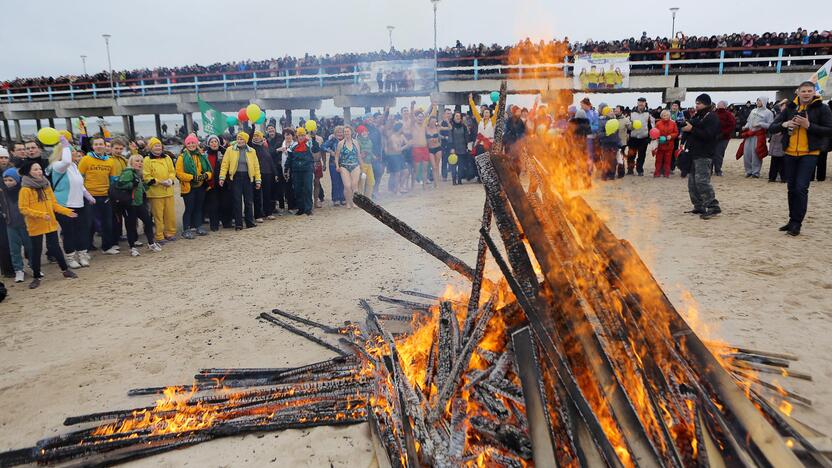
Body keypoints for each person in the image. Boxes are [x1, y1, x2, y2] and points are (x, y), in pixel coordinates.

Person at [768, 81, 832, 236]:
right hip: (790, 153)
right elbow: (772, 127)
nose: (806, 93)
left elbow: (829, 130)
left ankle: (797, 223)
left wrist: (808, 125)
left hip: (809, 154)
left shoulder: (822, 108)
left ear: (814, 92)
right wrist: (786, 124)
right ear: (798, 92)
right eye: (803, 91)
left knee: (801, 188)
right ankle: (791, 220)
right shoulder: (790, 107)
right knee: (791, 188)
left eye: (810, 91)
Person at [17, 160, 78, 289]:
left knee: (55, 247)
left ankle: (65, 270)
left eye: (39, 169)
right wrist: (40, 214)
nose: (39, 172)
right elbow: (23, 209)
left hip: (50, 223)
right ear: (29, 172)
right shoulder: (25, 189)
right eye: (35, 169)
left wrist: (66, 211)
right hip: (36, 225)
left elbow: (54, 204)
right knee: (36, 250)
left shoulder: (46, 185)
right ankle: (36, 276)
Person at [48, 137, 94, 268]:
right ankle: (70, 257)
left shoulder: (74, 166)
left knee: (82, 231)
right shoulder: (58, 166)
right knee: (69, 232)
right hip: (64, 205)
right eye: (71, 151)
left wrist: (88, 195)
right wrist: (65, 145)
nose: (75, 153)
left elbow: (80, 183)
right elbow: (66, 161)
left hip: (79, 204)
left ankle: (82, 254)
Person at [681, 94, 721, 220]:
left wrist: (692, 129)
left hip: (704, 154)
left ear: (706, 104)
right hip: (693, 153)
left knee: (702, 182)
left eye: (699, 103)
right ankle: (698, 206)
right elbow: (690, 128)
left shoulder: (712, 117)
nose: (696, 105)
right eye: (696, 103)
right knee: (692, 182)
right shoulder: (698, 116)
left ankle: (713, 206)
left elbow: (709, 135)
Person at [78, 136, 120, 255]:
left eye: (101, 144)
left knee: (107, 222)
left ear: (105, 145)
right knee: (89, 223)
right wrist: (84, 194)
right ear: (92, 146)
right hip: (89, 196)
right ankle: (85, 249)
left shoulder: (110, 161)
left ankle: (106, 247)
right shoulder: (86, 159)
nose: (98, 146)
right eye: (96, 144)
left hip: (105, 195)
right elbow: (79, 177)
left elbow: (112, 179)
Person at [115, 155, 162, 256]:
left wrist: (148, 184)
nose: (139, 163)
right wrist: (132, 184)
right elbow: (120, 185)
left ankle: (151, 243)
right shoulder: (128, 172)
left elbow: (140, 188)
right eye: (137, 161)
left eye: (141, 161)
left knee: (148, 222)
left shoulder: (137, 173)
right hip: (129, 204)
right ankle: (132, 247)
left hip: (138, 203)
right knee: (131, 226)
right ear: (131, 162)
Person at [219, 132, 261, 230]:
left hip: (248, 178)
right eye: (238, 139)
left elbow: (256, 166)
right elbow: (225, 164)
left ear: (246, 140)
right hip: (236, 178)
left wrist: (258, 180)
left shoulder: (252, 151)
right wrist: (222, 177)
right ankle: (238, 224)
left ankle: (250, 222)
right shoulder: (230, 150)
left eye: (242, 139)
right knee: (237, 201)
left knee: (248, 201)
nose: (239, 141)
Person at [176, 134, 212, 238]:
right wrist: (192, 177)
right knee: (189, 208)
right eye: (189, 143)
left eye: (193, 143)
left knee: (199, 207)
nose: (191, 145)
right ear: (186, 145)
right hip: (188, 186)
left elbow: (209, 170)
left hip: (200, 185)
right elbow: (178, 173)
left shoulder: (201, 156)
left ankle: (198, 226)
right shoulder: (182, 157)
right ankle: (186, 229)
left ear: (196, 144)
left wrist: (206, 175)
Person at [143, 137, 178, 242]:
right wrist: (159, 181)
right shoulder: (147, 160)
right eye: (155, 146)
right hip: (155, 193)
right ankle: (159, 235)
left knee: (170, 214)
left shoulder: (167, 157)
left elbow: (172, 171)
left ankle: (170, 233)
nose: (158, 148)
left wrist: (170, 180)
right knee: (158, 216)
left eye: (159, 145)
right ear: (151, 148)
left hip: (168, 191)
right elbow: (146, 176)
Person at [1, 167, 32, 283]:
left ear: (17, 179)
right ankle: (19, 270)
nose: (8, 183)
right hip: (10, 225)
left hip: (26, 224)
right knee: (14, 250)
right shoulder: (3, 192)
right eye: (5, 180)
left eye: (11, 180)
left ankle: (34, 267)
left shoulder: (24, 190)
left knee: (30, 247)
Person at [284, 127, 318, 215]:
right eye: (299, 135)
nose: (301, 137)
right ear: (297, 136)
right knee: (297, 190)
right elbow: (289, 158)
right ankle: (301, 208)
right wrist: (286, 169)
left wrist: (313, 138)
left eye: (303, 135)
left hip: (307, 170)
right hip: (296, 170)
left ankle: (308, 209)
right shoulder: (293, 145)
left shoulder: (309, 143)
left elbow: (316, 149)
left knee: (308, 189)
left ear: (305, 135)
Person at [739, 97, 774, 178]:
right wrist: (745, 126)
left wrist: (760, 124)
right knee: (747, 153)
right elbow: (749, 121)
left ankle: (755, 172)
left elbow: (770, 125)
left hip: (758, 136)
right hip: (749, 134)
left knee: (756, 153)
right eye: (757, 100)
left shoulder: (768, 113)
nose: (757, 102)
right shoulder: (753, 110)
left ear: (764, 102)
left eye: (759, 100)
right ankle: (748, 171)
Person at [203, 135, 232, 231]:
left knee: (226, 203)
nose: (214, 143)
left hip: (224, 182)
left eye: (215, 141)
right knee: (213, 205)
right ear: (208, 143)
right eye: (211, 142)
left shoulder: (224, 152)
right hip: (211, 183)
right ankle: (214, 225)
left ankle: (227, 223)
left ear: (218, 143)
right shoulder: (205, 155)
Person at [250, 130, 276, 221]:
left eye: (258, 136)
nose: (256, 137)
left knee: (267, 194)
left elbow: (271, 161)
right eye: (254, 136)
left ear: (261, 137)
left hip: (268, 173)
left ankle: (268, 213)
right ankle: (258, 215)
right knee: (257, 195)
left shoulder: (265, 147)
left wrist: (275, 173)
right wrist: (252, 127)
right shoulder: (251, 147)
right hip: (257, 174)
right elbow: (248, 139)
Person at [335, 126, 363, 208]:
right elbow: (337, 156)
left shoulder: (356, 142)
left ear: (351, 132)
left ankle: (355, 202)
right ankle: (348, 202)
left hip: (355, 165)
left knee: (354, 185)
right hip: (344, 166)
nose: (346, 133)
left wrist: (362, 166)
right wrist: (337, 166)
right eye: (345, 132)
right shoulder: (340, 143)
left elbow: (359, 155)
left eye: (348, 131)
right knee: (347, 186)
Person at [627, 97, 653, 176]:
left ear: (645, 103)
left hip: (643, 138)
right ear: (637, 103)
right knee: (631, 155)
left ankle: (639, 170)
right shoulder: (631, 113)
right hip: (633, 138)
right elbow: (628, 125)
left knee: (641, 155)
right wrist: (629, 132)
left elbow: (651, 126)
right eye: (640, 102)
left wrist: (649, 137)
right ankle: (630, 170)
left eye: (643, 102)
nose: (641, 104)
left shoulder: (649, 113)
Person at [265, 124, 288, 213]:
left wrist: (274, 151)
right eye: (269, 129)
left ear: (275, 129)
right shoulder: (266, 138)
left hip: (279, 165)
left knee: (280, 186)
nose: (271, 130)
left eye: (272, 128)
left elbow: (272, 150)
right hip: (270, 166)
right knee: (272, 186)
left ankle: (282, 206)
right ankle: (273, 207)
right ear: (267, 131)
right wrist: (277, 150)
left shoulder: (279, 137)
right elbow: (269, 152)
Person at [322, 125, 346, 206]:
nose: (340, 134)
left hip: (344, 164)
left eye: (341, 132)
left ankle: (343, 198)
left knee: (343, 181)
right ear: (335, 133)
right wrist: (330, 151)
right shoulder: (332, 140)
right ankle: (335, 199)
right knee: (335, 181)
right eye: (338, 132)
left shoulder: (346, 140)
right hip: (333, 164)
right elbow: (323, 146)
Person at [768, 99, 789, 182]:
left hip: (782, 138)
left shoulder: (789, 114)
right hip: (775, 139)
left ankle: (783, 178)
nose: (781, 106)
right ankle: (772, 177)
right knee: (774, 159)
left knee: (782, 159)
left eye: (783, 105)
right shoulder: (779, 114)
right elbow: (776, 107)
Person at [713, 101, 736, 176]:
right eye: (718, 103)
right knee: (711, 153)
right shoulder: (713, 113)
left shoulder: (728, 114)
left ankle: (718, 170)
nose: (718, 104)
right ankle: (709, 170)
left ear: (724, 106)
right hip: (713, 137)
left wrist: (723, 134)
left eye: (720, 104)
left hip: (723, 138)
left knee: (719, 154)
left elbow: (732, 126)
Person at [654, 110, 679, 177]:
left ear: (669, 116)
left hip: (669, 145)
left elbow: (676, 133)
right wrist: (658, 137)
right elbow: (655, 132)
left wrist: (671, 136)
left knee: (667, 160)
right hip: (660, 145)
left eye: (667, 115)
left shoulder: (673, 123)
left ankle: (666, 173)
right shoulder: (658, 123)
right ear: (661, 116)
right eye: (664, 115)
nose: (665, 117)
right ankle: (657, 173)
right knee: (658, 160)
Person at [449, 112, 470, 185]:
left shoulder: (464, 126)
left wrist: (467, 146)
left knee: (461, 165)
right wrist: (451, 147)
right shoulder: (451, 126)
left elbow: (466, 137)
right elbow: (450, 137)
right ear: (454, 117)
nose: (458, 117)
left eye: (459, 116)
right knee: (453, 165)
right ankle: (454, 180)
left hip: (462, 147)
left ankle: (459, 179)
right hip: (454, 148)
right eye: (456, 116)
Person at [355, 125, 376, 197]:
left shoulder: (369, 141)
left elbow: (370, 150)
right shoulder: (357, 141)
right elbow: (356, 153)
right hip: (361, 164)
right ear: (359, 133)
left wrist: (373, 155)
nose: (364, 133)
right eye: (362, 131)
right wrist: (360, 155)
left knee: (371, 181)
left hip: (369, 163)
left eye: (365, 131)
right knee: (361, 181)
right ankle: (360, 198)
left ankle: (368, 197)